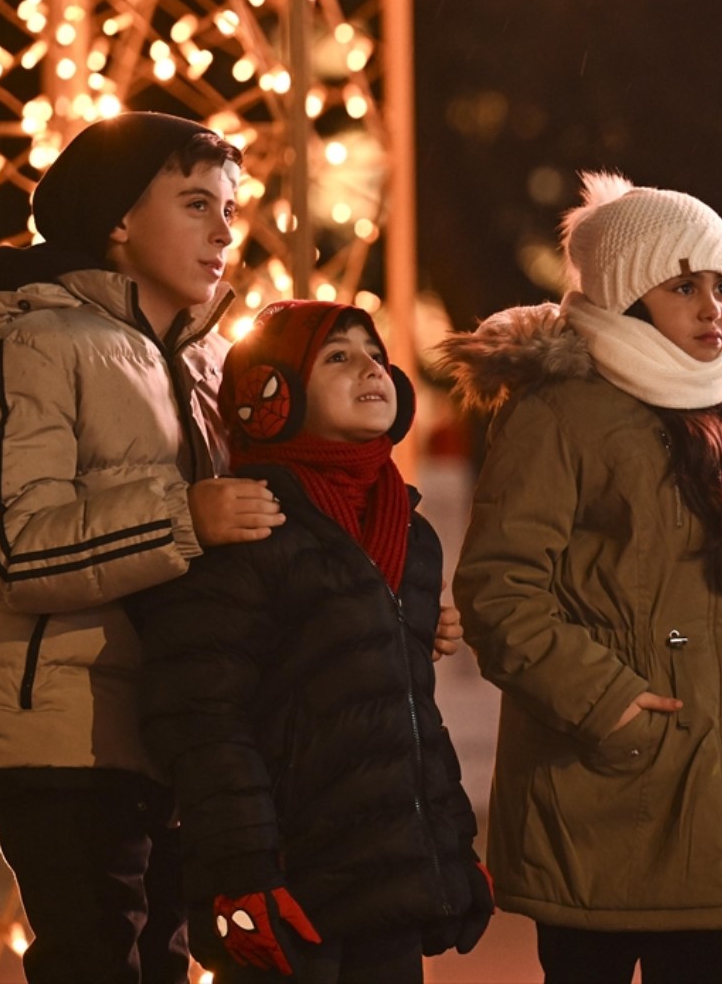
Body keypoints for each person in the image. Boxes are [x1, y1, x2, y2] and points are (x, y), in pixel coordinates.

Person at [438, 172, 722, 984]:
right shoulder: (561, 410)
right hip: (603, 783)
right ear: (625, 295)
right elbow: (500, 588)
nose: (714, 307)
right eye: (683, 285)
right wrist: (610, 704)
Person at [0, 112, 282, 983]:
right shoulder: (31, 338)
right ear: (118, 219)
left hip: (174, 725)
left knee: (163, 961)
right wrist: (184, 517)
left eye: (230, 207)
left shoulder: (205, 364)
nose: (223, 230)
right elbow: (11, 545)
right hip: (63, 735)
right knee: (96, 961)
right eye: (196, 202)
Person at [130, 300, 493, 983]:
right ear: (274, 395)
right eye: (338, 356)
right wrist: (246, 870)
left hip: (385, 888)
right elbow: (201, 714)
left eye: (376, 354)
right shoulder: (250, 521)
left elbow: (410, 712)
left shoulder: (410, 534)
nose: (371, 368)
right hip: (289, 887)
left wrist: (451, 846)